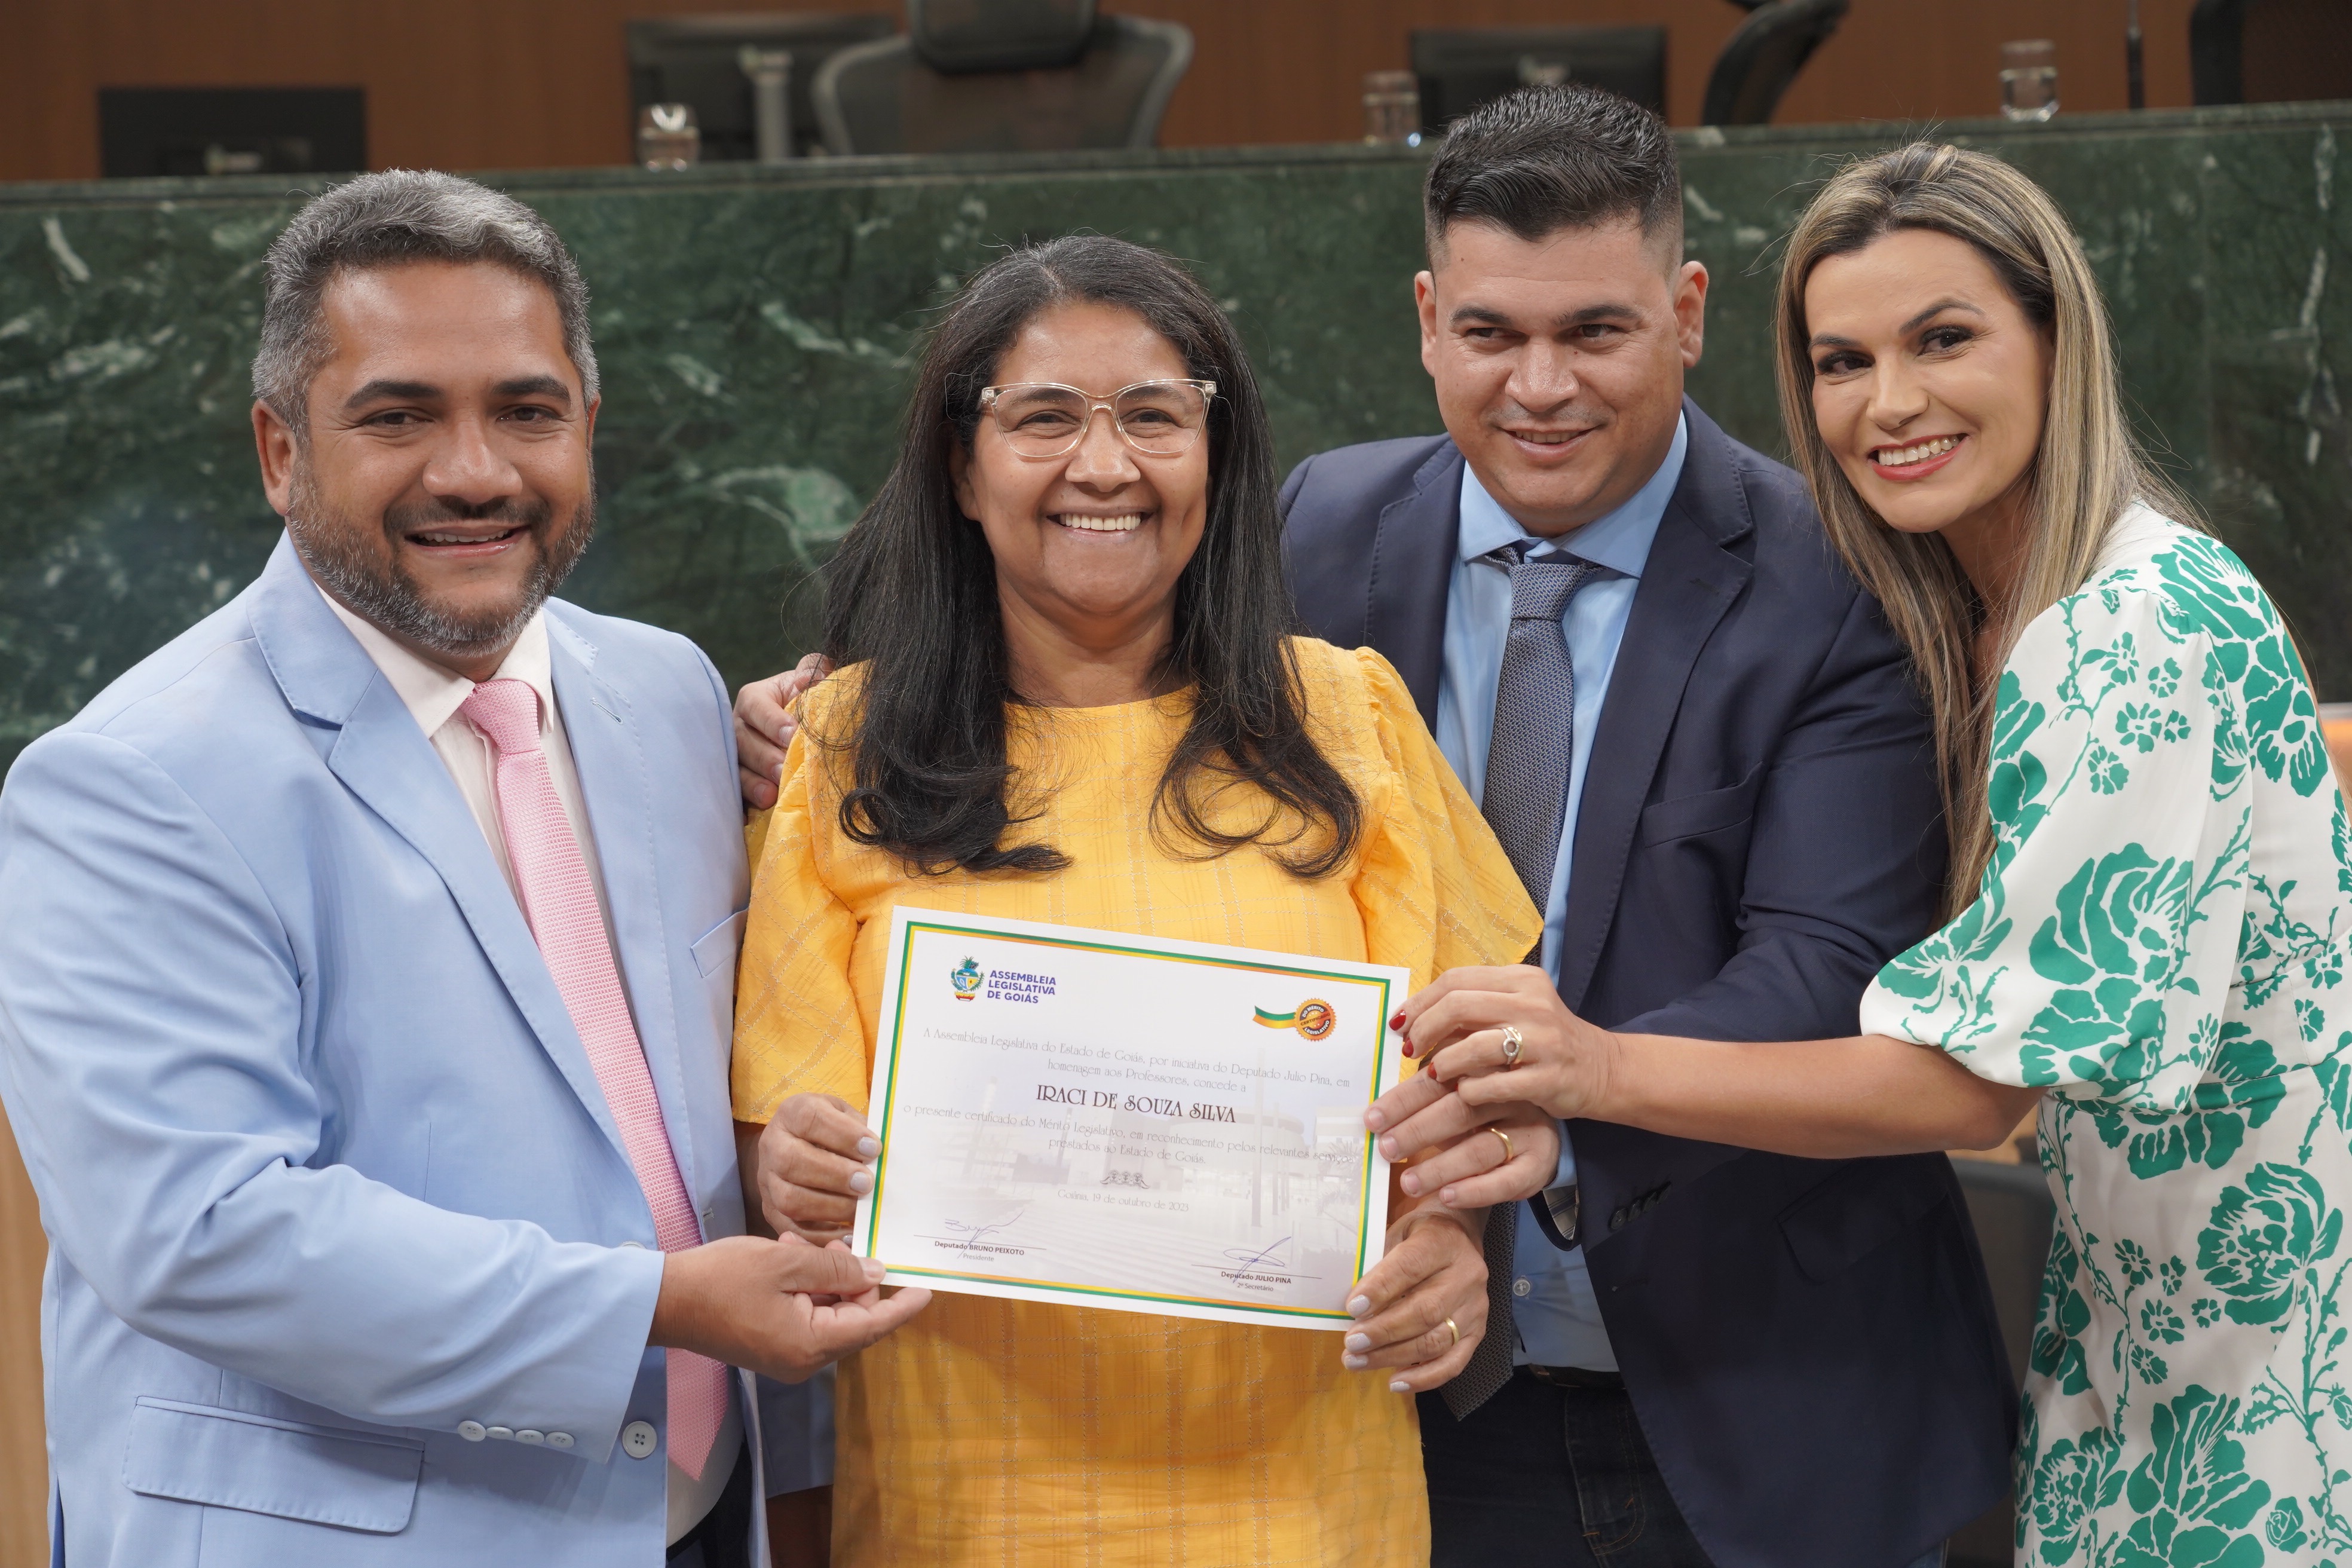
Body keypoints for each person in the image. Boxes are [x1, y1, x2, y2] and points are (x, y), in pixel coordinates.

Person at [739, 87, 2016, 1568]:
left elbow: (1830, 968)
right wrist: (822, 710)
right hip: (1406, 1402)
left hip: (1758, 1389)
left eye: (1594, 331)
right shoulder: (1320, 528)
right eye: (1491, 333)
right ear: (1425, 320)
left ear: (1685, 313)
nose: (1540, 385)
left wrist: (1554, 1109)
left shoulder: (1843, 575)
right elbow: (1087, 683)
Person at [1394, 138, 2352, 1563]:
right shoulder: (1989, 613)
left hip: (2264, 1374)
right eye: (1842, 361)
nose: (1889, 402)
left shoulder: (2134, 627)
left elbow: (1974, 1084)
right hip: (2143, 1329)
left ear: (2057, 339)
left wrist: (1589, 1070)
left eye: (1943, 339)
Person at [0, 171, 924, 1568]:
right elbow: (204, 1231)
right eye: (399, 417)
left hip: (691, 1522)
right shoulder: (130, 782)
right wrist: (657, 1304)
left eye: (526, 410)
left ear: (589, 426)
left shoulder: (669, 696)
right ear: (279, 451)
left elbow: (706, 1087)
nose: (477, 471)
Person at [728, 232, 1567, 1566]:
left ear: (1216, 461)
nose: (1105, 464)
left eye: (1155, 416)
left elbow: (1461, 1101)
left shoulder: (1347, 718)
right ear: (962, 466)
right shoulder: (842, 747)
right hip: (970, 1499)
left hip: (1312, 1500)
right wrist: (796, 1168)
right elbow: (781, 1136)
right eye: (1044, 417)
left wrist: (1453, 1241)